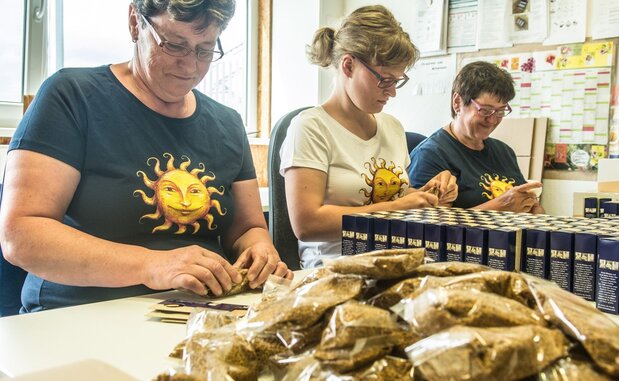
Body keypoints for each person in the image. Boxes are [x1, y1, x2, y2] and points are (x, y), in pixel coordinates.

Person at [0, 0, 292, 313]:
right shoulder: (72, 96)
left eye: (205, 50)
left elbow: (247, 228)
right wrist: (152, 265)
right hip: (81, 313)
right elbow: (22, 235)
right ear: (135, 23)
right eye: (175, 45)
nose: (190, 65)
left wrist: (259, 248)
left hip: (201, 313)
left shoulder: (227, 123)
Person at [279, 5, 458, 269]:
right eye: (385, 80)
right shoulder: (310, 127)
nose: (392, 92)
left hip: (396, 259)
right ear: (349, 65)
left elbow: (391, 194)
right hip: (335, 267)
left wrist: (428, 194)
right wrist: (399, 209)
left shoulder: (392, 127)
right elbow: (307, 224)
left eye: (397, 81)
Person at [409, 61, 544, 213]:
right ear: (457, 102)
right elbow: (427, 226)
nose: (493, 120)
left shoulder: (504, 152)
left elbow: (529, 205)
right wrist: (499, 207)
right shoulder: (431, 154)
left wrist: (534, 210)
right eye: (485, 110)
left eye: (500, 112)